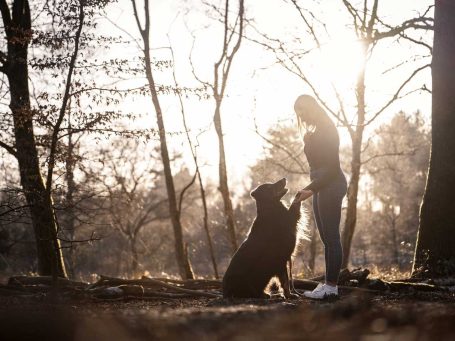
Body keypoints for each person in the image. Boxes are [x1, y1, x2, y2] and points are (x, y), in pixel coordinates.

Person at [293, 95, 347, 299]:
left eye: (303, 111)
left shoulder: (328, 129)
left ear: (312, 108)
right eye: (298, 113)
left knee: (332, 238)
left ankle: (331, 289)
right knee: (327, 239)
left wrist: (311, 189)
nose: (301, 116)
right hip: (320, 186)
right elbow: (316, 166)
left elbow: (332, 169)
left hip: (331, 185)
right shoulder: (315, 131)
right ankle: (327, 286)